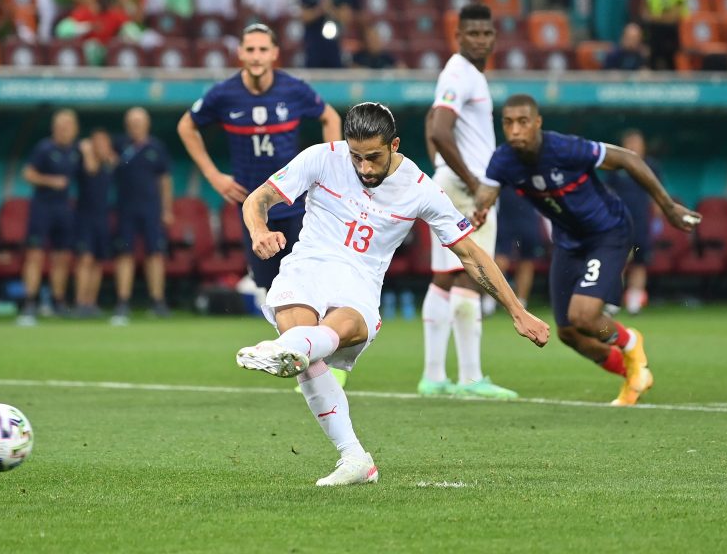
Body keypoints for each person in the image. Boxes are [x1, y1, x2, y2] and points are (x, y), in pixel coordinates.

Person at [235, 102, 550, 486]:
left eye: (373, 158)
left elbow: (470, 253)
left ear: (394, 145)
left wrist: (517, 310)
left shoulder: (420, 189)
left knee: (316, 341)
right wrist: (259, 231)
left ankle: (287, 349)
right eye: (356, 158)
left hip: (359, 281)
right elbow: (258, 199)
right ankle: (354, 458)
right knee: (303, 352)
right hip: (307, 268)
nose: (364, 168)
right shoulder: (321, 158)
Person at [473, 94, 701, 405]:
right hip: (568, 241)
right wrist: (480, 207)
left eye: (523, 122)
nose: (514, 130)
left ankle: (631, 341)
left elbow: (628, 159)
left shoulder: (564, 148)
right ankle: (634, 374)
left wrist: (668, 207)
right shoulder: (502, 159)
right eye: (508, 123)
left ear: (537, 123)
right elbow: (487, 189)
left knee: (583, 316)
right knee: (568, 333)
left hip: (608, 232)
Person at [178, 23, 342, 292]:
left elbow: (330, 116)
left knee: (307, 281)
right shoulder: (224, 94)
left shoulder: (294, 89)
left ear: (274, 53)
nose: (256, 56)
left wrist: (330, 169)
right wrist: (213, 175)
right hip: (253, 206)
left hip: (298, 203)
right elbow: (186, 125)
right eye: (250, 49)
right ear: (240, 53)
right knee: (269, 285)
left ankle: (309, 334)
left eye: (263, 49)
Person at [420, 3, 517, 400]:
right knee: (472, 275)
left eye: (486, 33)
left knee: (444, 276)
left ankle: (433, 376)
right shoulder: (462, 73)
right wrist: (474, 182)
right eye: (472, 33)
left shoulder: (458, 74)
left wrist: (442, 168)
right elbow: (441, 130)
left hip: (450, 182)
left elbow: (433, 123)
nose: (480, 39)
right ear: (458, 36)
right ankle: (471, 378)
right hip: (467, 188)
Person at [17, 109, 82, 326]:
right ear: (54, 128)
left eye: (69, 126)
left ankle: (58, 302)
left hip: (64, 209)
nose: (65, 130)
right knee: (35, 256)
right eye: (61, 126)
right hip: (42, 208)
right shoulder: (44, 148)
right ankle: (29, 303)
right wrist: (50, 181)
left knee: (62, 257)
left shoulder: (75, 151)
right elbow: (27, 174)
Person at [112, 107, 174, 324]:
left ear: (146, 124)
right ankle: (122, 303)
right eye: (132, 122)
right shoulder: (119, 145)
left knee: (155, 254)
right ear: (127, 125)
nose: (135, 126)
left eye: (139, 122)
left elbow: (164, 180)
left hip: (151, 208)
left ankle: (157, 301)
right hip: (125, 208)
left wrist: (166, 209)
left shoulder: (156, 147)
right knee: (124, 254)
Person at [604, 129, 662, 315]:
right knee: (618, 261)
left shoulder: (651, 166)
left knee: (639, 262)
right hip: (619, 223)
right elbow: (606, 194)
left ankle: (634, 303)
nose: (633, 146)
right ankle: (613, 302)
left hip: (642, 223)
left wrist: (659, 218)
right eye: (629, 143)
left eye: (636, 143)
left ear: (643, 146)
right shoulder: (616, 167)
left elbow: (658, 194)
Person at [73, 129, 116, 318]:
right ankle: (80, 302)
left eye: (104, 142)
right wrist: (88, 150)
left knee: (98, 261)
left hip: (102, 218)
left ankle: (91, 303)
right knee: (85, 259)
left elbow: (115, 161)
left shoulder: (109, 164)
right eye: (97, 142)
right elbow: (90, 169)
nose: (101, 146)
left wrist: (106, 153)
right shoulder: (85, 161)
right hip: (84, 217)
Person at [486, 186, 542, 316]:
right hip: (510, 215)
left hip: (524, 215)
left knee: (524, 259)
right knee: (503, 259)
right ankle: (492, 301)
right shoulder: (505, 168)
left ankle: (519, 303)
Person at [640, 0, 687, 71]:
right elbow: (645, 14)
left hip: (672, 31)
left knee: (671, 56)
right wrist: (664, 17)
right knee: (650, 43)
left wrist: (656, 17)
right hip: (654, 32)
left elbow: (675, 17)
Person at [300, 0, 345, 69]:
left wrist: (330, 9)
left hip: (333, 45)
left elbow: (345, 17)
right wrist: (319, 10)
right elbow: (304, 17)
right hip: (314, 44)